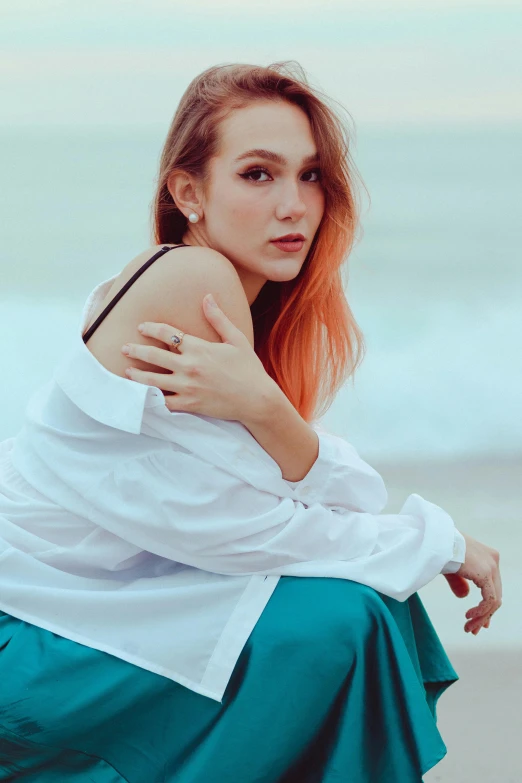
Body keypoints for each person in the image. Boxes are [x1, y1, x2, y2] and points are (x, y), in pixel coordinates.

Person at [0, 61, 502, 783]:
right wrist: (437, 540)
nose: (294, 205)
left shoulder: (202, 290)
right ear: (188, 191)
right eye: (258, 175)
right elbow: (238, 528)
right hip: (32, 648)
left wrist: (267, 406)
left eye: (310, 175)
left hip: (70, 623)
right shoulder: (192, 282)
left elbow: (313, 504)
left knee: (359, 604)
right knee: (350, 618)